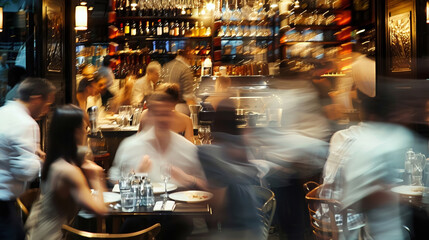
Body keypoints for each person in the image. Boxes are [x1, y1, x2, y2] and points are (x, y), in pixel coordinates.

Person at [25, 105, 107, 240]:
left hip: (38, 233)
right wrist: (97, 179)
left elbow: (83, 153)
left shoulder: (53, 161)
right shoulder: (69, 171)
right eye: (85, 128)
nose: (87, 133)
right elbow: (100, 210)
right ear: (76, 132)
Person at [109, 92, 206, 188]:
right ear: (149, 115)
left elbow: (207, 187)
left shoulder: (187, 148)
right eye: (157, 114)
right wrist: (137, 176)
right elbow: (114, 182)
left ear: (173, 115)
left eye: (166, 114)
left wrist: (188, 179)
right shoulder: (130, 146)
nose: (162, 119)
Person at [0, 78, 56, 240]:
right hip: (3, 200)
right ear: (36, 99)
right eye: (47, 104)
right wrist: (39, 159)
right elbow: (25, 172)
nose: (47, 110)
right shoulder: (26, 123)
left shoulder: (3, 111)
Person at [162, 49, 196, 115]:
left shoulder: (167, 66)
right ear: (188, 54)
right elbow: (188, 97)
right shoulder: (185, 69)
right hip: (179, 109)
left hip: (164, 107)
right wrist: (196, 114)